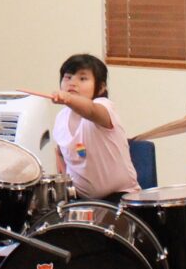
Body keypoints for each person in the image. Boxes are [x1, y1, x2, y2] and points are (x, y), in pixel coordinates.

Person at [51, 53, 139, 202]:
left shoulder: (104, 106)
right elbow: (60, 152)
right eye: (68, 77)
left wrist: (70, 99)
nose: (72, 83)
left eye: (82, 78)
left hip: (121, 199)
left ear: (101, 88)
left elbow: (91, 110)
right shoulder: (61, 118)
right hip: (81, 201)